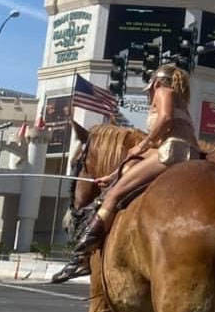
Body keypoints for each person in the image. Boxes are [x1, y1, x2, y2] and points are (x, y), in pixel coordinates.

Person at [52, 64, 199, 282]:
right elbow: (141, 160)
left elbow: (165, 118)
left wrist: (142, 145)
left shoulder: (163, 92)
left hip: (172, 152)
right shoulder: (182, 105)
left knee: (112, 196)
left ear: (156, 83)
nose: (150, 95)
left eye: (150, 89)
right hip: (188, 154)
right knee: (125, 174)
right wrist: (112, 176)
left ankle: (81, 257)